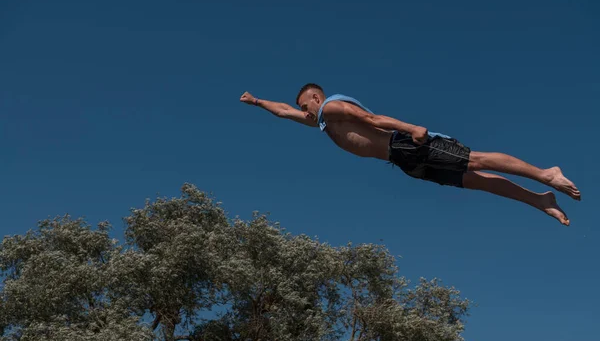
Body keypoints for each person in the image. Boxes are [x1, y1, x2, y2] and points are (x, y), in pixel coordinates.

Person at [239, 83, 581, 226]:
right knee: (475, 182)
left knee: (475, 160)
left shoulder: (332, 107)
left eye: (305, 106)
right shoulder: (323, 123)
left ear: (316, 98)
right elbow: (283, 111)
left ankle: (545, 173)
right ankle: (539, 200)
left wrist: (413, 127)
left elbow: (372, 120)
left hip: (405, 143)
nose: (304, 113)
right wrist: (256, 102)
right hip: (403, 161)